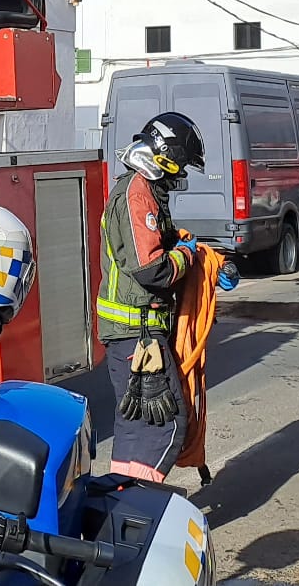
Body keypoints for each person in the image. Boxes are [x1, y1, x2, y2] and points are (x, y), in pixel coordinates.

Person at [98, 111, 208, 481]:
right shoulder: (136, 194)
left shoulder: (142, 192)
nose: (181, 176)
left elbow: (153, 244)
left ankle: (120, 505)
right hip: (137, 334)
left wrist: (181, 243)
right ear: (166, 156)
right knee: (167, 425)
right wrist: (186, 256)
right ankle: (140, 506)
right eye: (181, 166)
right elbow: (151, 270)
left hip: (134, 334)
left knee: (135, 426)